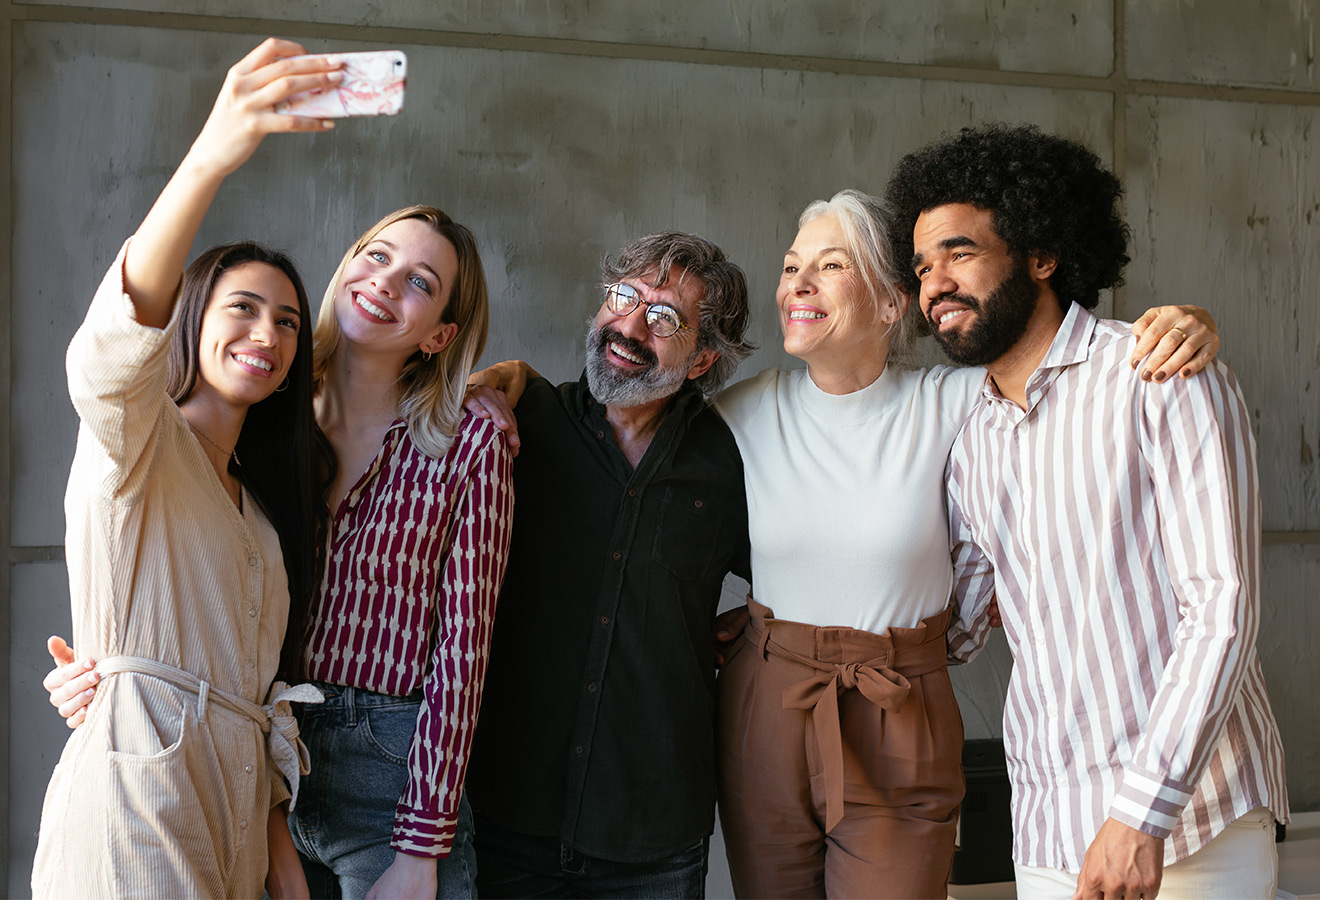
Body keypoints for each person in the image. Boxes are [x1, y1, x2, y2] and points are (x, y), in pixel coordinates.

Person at [43, 38, 515, 900]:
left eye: (420, 282)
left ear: (440, 333)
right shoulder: (177, 436)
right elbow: (112, 363)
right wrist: (113, 675)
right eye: (376, 255)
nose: (265, 336)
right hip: (189, 795)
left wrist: (407, 846)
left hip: (316, 787)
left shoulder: (274, 496)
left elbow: (458, 651)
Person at [708, 188, 1221, 900]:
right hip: (766, 703)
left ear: (893, 304)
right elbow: (632, 445)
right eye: (793, 265)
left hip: (897, 702)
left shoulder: (958, 399)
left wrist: (1187, 322)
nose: (797, 282)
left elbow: (1069, 367)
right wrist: (510, 385)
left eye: (829, 265)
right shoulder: (740, 410)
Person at [886, 123, 1288, 899]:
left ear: (1042, 254)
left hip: (1190, 820)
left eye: (959, 252)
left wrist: (1141, 817)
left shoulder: (1159, 371)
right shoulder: (969, 432)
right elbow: (959, 627)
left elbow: (1222, 611)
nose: (934, 282)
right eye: (922, 265)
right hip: (1047, 820)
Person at [31, 38, 339, 898]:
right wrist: (214, 154)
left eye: (287, 321)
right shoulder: (135, 440)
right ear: (192, 317)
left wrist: (283, 866)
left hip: (236, 823)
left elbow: (254, 696)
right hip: (136, 808)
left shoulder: (266, 514)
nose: (268, 335)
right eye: (243, 307)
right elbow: (106, 353)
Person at [462, 232, 754, 898]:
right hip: (505, 816)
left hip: (652, 835)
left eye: (664, 317)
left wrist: (759, 625)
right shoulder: (517, 424)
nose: (628, 325)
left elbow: (800, 579)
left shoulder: (733, 463)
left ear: (704, 357)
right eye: (623, 297)